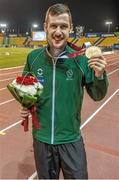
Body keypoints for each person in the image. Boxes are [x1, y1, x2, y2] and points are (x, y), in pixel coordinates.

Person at [20, 3, 108, 179]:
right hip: (42, 140)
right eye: (53, 26)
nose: (58, 31)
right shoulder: (33, 58)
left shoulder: (82, 60)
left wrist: (99, 75)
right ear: (45, 27)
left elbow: (98, 95)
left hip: (71, 140)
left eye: (63, 26)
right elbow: (27, 94)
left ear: (71, 29)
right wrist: (25, 105)